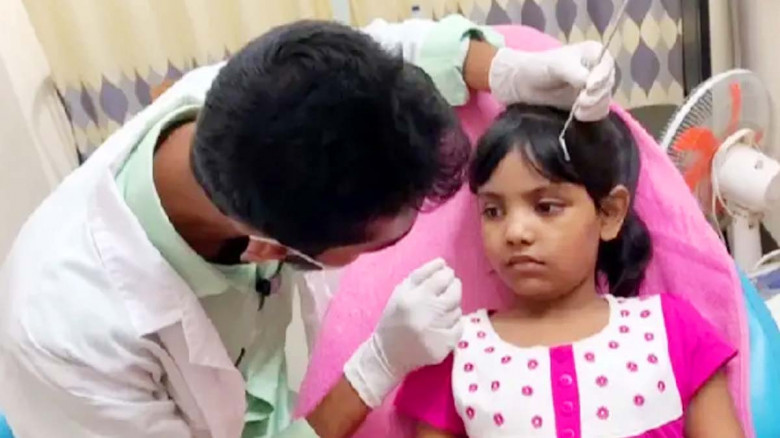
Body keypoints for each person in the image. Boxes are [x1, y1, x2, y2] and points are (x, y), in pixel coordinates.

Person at [0, 15, 616, 438]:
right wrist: (374, 367)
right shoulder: (75, 337)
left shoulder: (255, 95)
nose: (514, 233)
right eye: (493, 208)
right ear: (271, 250)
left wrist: (507, 68)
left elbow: (386, 57)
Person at [395, 105, 745, 437]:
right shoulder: (455, 352)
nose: (515, 232)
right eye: (493, 211)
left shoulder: (672, 332)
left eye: (546, 207)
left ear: (609, 213)